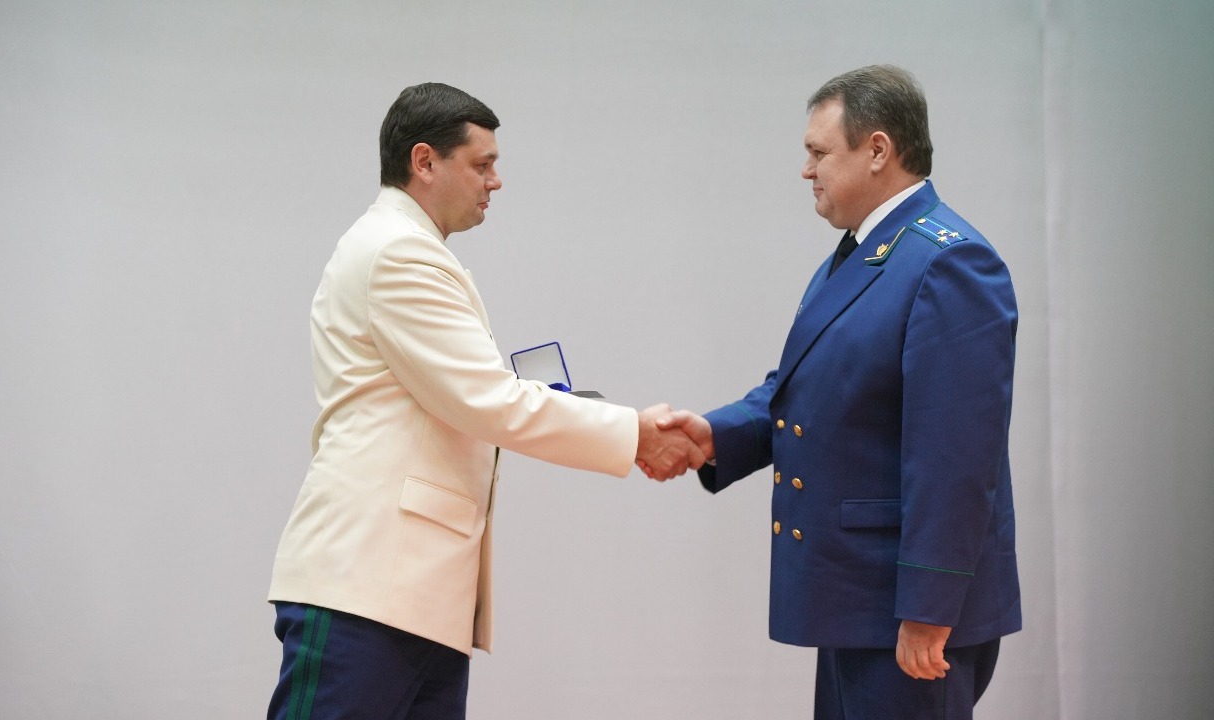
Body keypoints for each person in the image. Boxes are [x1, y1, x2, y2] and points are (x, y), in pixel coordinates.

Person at [266, 82, 703, 720]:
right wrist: (633, 432)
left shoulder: (405, 247)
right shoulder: (398, 252)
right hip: (369, 584)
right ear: (424, 161)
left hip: (412, 592)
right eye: (482, 164)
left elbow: (476, 398)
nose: (495, 181)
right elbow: (487, 401)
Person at [657, 66, 1021, 718]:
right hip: (858, 600)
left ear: (877, 150)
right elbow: (808, 389)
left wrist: (928, 608)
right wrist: (716, 435)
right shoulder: (866, 253)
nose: (807, 170)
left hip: (907, 613)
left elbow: (956, 457)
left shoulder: (948, 261)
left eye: (819, 152)